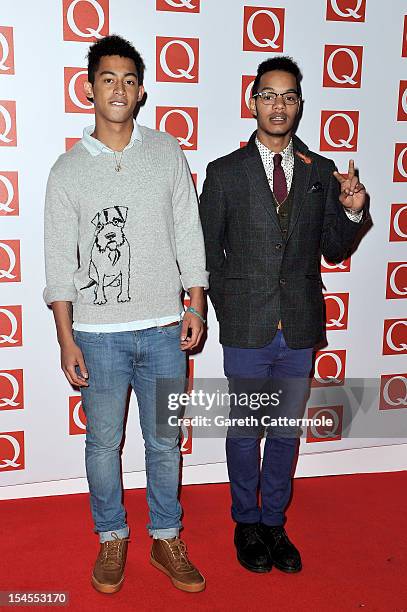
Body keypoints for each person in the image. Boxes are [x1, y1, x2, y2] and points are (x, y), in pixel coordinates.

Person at [44, 34, 208, 594]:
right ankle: (112, 537)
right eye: (108, 78)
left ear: (141, 92)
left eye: (129, 80)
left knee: (164, 442)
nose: (119, 88)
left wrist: (196, 302)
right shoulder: (66, 170)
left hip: (165, 329)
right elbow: (59, 264)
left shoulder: (166, 152)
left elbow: (189, 231)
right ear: (89, 88)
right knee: (102, 443)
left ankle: (166, 537)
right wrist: (66, 339)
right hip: (97, 335)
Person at [199, 56, 367, 574]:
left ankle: (275, 523)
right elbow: (207, 253)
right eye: (268, 95)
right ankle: (245, 522)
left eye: (288, 96)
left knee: (286, 430)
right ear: (253, 102)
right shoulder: (224, 173)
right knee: (247, 430)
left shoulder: (320, 172)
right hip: (247, 328)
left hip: (297, 326)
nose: (279, 105)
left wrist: (353, 207)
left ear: (299, 105)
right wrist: (226, 307)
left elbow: (335, 250)